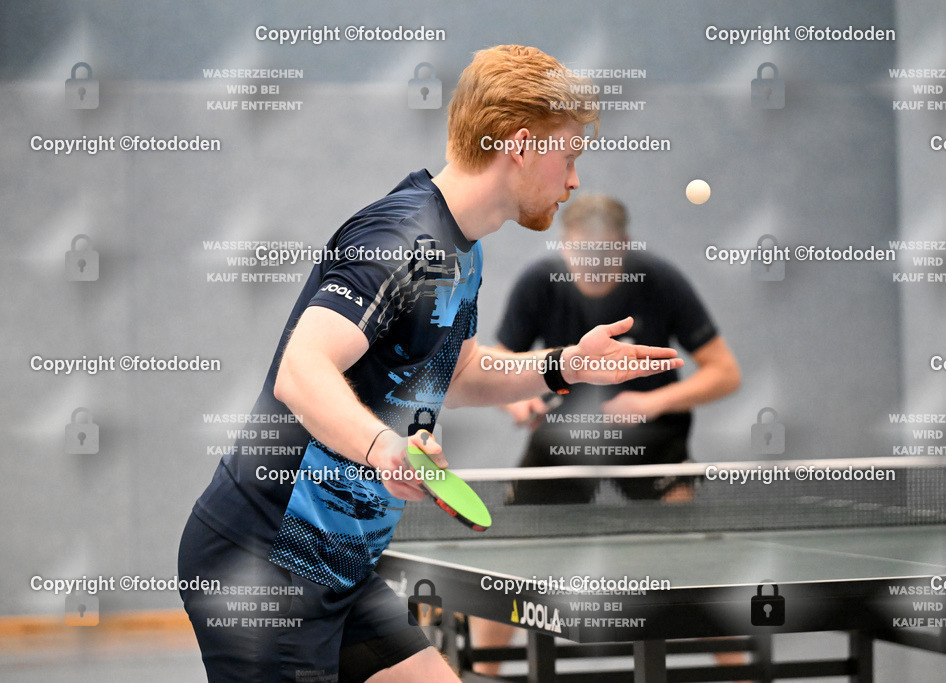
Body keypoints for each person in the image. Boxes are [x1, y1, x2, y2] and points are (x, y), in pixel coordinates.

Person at [177, 45, 686, 683]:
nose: (575, 179)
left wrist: (565, 365)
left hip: (336, 564)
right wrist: (386, 448)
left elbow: (462, 370)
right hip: (266, 562)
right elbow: (301, 369)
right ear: (522, 147)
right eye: (570, 153)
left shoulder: (460, 249)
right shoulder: (401, 241)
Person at [470, 193, 742, 676]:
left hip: (653, 446)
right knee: (509, 567)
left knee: (690, 572)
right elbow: (493, 365)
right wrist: (519, 400)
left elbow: (725, 373)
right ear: (564, 245)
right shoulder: (540, 283)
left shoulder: (659, 281)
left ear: (623, 245)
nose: (590, 266)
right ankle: (481, 674)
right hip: (561, 448)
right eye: (579, 253)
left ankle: (740, 672)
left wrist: (650, 402)